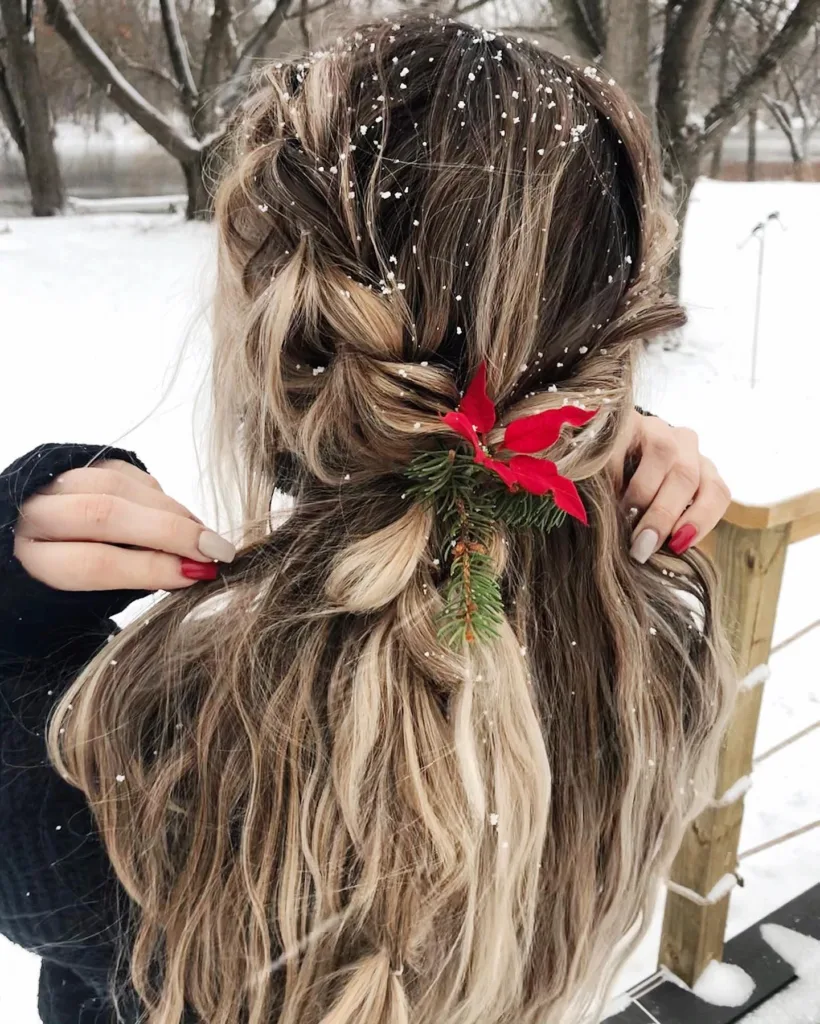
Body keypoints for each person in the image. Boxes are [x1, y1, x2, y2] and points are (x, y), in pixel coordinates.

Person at [0, 19, 735, 1024]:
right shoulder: (646, 655)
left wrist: (10, 618)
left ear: (278, 327)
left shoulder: (125, 752)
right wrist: (597, 448)